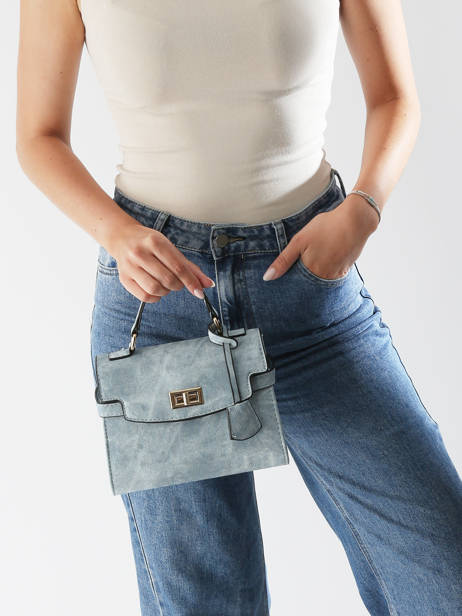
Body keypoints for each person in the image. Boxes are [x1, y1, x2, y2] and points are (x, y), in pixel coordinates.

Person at [16, 0, 462, 614]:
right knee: (207, 603)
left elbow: (394, 96)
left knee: (444, 568)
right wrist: (115, 233)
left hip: (311, 296)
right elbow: (38, 136)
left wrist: (364, 206)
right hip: (163, 307)